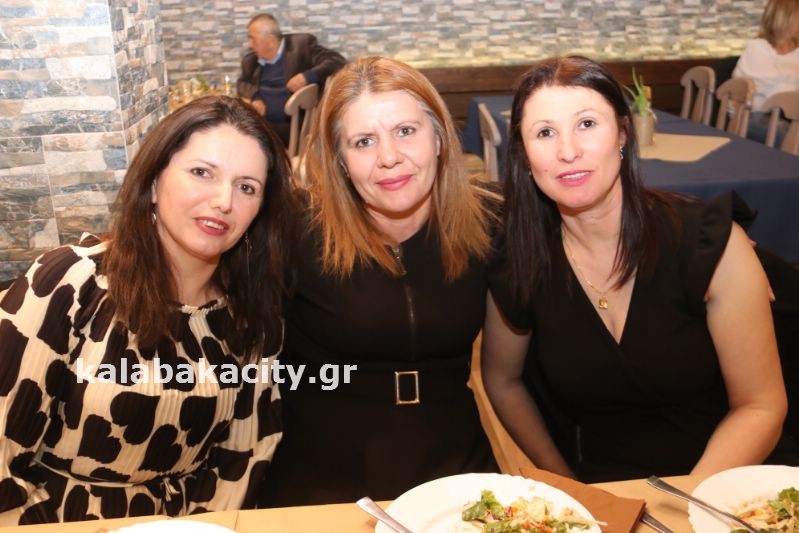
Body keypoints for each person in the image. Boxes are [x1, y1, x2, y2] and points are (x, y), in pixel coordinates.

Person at [482, 55, 788, 483]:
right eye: (545, 132)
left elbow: (760, 406)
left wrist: (687, 504)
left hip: (724, 481)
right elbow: (502, 379)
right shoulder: (521, 257)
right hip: (606, 488)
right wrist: (568, 486)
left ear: (623, 133)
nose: (567, 151)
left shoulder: (706, 244)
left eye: (587, 124)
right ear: (524, 154)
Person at [0, 96, 293, 524]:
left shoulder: (250, 316)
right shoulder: (70, 283)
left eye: (246, 187)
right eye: (202, 173)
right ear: (154, 182)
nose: (223, 201)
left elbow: (242, 455)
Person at [258, 56, 501, 506]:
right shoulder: (292, 230)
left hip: (454, 461)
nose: (389, 158)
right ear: (340, 160)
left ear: (439, 137)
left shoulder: (489, 221)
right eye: (364, 142)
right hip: (324, 471)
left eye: (406, 131)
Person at [237, 14, 346, 147]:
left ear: (270, 40)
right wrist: (255, 96)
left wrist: (307, 77)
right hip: (261, 127)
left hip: (293, 129)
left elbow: (337, 61)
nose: (249, 45)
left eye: (253, 39)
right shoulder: (250, 61)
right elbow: (241, 83)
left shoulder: (302, 46)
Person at [733, 0, 799, 144]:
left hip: (792, 118)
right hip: (755, 116)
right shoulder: (757, 49)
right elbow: (773, 93)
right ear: (785, 17)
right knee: (785, 133)